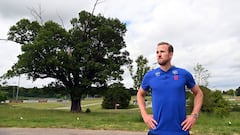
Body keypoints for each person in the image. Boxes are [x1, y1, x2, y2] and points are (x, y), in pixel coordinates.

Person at [137, 42, 203, 135]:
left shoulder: (183, 74)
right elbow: (140, 94)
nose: (159, 55)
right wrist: (144, 115)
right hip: (156, 130)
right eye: (157, 52)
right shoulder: (150, 76)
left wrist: (194, 115)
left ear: (171, 54)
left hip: (180, 131)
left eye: (162, 51)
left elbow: (199, 93)